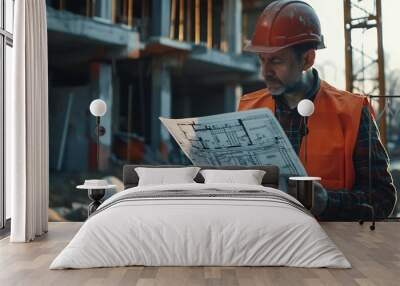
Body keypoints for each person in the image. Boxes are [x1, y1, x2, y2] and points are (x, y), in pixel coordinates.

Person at [238, 0, 397, 220]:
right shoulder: (247, 108)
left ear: (307, 59)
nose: (265, 72)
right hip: (264, 246)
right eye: (261, 60)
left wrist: (328, 203)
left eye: (276, 61)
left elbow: (382, 199)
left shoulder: (351, 112)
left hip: (328, 248)